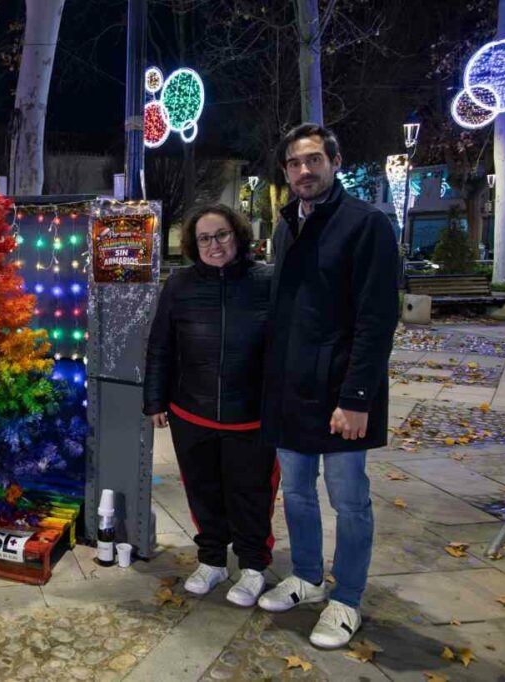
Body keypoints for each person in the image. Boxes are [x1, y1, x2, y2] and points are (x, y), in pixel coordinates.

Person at [257, 123, 399, 648]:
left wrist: (357, 397)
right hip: (291, 390)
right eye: (294, 163)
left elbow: (376, 318)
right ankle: (309, 577)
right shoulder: (286, 224)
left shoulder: (366, 224)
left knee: (349, 500)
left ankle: (347, 600)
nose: (303, 171)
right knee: (295, 491)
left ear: (334, 161)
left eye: (314, 159)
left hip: (341, 395)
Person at [143, 204, 277, 608]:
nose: (214, 244)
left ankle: (253, 566)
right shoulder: (179, 285)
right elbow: (161, 346)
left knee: (251, 493)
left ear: (237, 235)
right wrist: (155, 398)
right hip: (192, 411)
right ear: (192, 244)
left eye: (221, 235)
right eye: (204, 238)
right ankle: (212, 559)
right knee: (203, 490)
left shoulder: (267, 281)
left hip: (252, 415)